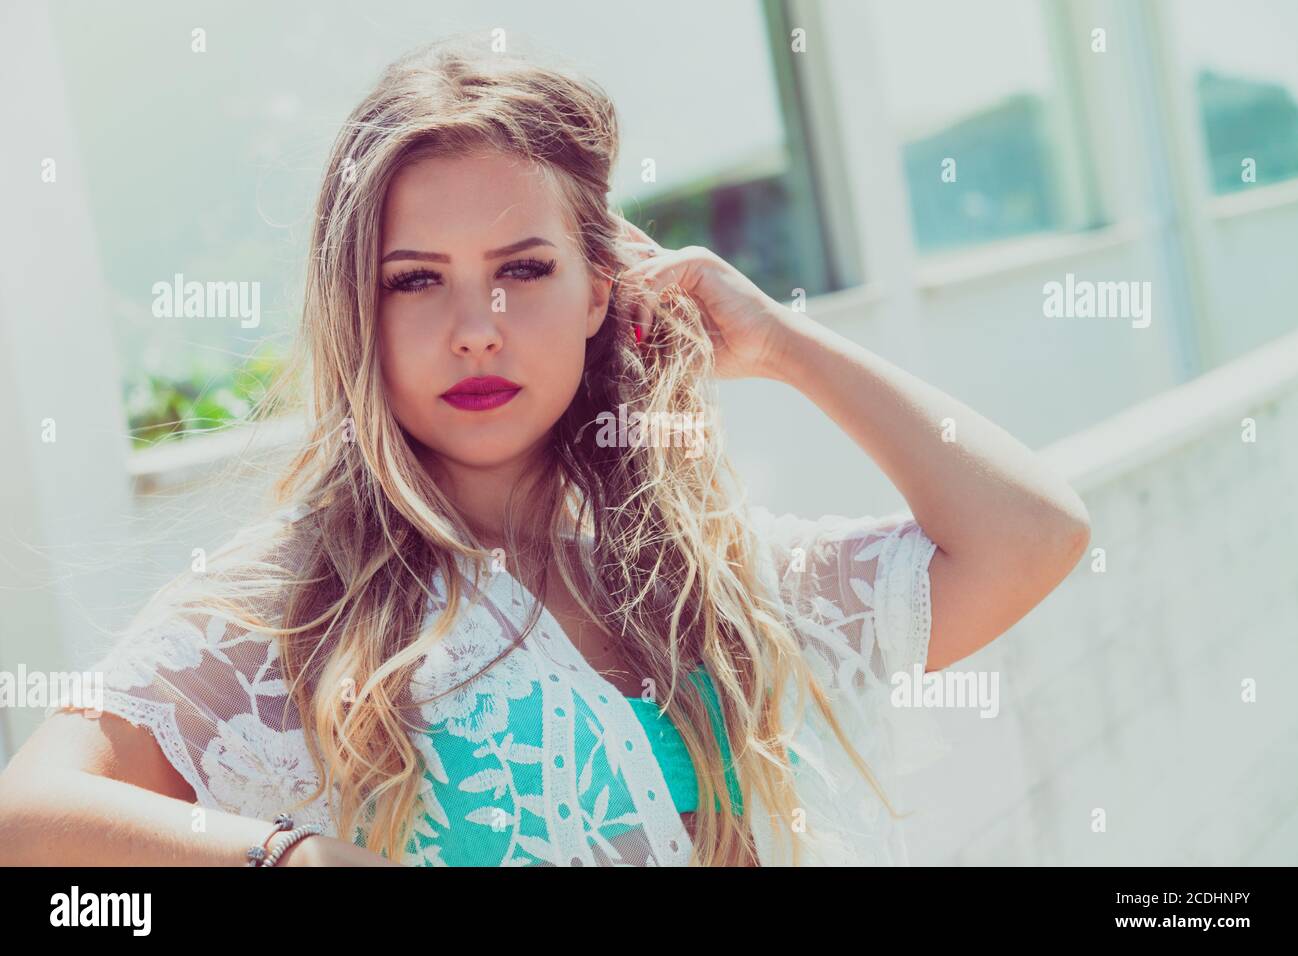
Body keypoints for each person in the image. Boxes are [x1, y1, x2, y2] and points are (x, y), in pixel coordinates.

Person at [0, 34, 1089, 867]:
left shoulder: (706, 572)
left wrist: (783, 342)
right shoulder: (294, 600)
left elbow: (1031, 536)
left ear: (597, 293)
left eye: (522, 268)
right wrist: (293, 857)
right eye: (415, 278)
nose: (475, 324)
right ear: (359, 313)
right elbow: (30, 817)